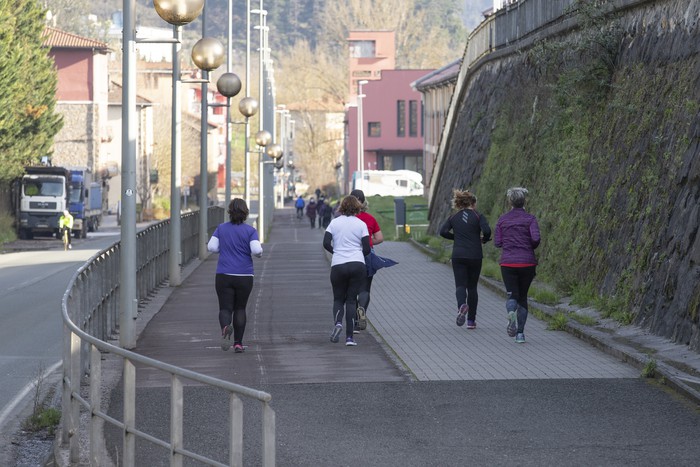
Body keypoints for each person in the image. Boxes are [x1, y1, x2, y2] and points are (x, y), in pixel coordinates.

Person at [208, 198, 263, 353]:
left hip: (224, 274)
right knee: (240, 308)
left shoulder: (221, 228)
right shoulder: (250, 231)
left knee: (225, 308)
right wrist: (258, 255)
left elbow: (212, 247)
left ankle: (225, 327)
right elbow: (257, 251)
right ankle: (238, 344)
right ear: (245, 213)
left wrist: (222, 249)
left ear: (229, 212)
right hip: (244, 275)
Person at [494, 187, 541, 344]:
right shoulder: (530, 219)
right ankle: (520, 334)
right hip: (527, 262)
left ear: (510, 202)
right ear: (524, 201)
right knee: (523, 297)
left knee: (511, 295)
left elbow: (498, 242)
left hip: (508, 263)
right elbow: (536, 239)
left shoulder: (502, 220)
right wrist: (528, 247)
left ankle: (511, 311)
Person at [439, 189, 491, 329]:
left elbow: (442, 232)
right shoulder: (478, 216)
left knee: (460, 285)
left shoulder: (453, 217)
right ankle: (471, 321)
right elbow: (486, 231)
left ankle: (461, 305)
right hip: (475, 255)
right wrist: (484, 239)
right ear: (473, 203)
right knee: (472, 287)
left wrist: (456, 237)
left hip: (458, 255)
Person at [323, 195, 371, 346]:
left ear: (341, 207)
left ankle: (338, 323)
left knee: (338, 299)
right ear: (358, 207)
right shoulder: (361, 224)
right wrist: (358, 256)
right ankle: (350, 338)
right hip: (357, 264)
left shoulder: (334, 223)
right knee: (351, 300)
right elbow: (367, 248)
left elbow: (325, 243)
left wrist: (336, 252)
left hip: (338, 264)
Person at [350, 189, 383, 331]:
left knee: (351, 290)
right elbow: (380, 238)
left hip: (350, 256)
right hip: (367, 254)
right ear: (363, 202)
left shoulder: (345, 220)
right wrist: (369, 242)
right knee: (365, 289)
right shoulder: (370, 219)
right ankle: (361, 311)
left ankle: (354, 323)